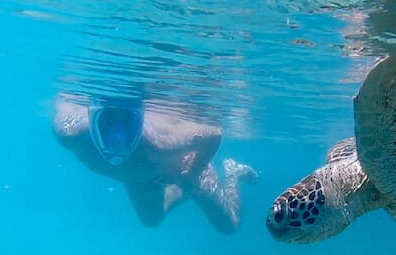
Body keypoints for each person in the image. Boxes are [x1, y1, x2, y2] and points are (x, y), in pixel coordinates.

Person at [53, 94, 256, 233]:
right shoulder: (69, 134)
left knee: (229, 225)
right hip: (140, 176)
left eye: (126, 124)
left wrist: (193, 172)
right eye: (106, 122)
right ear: (92, 115)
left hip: (181, 166)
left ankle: (233, 173)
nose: (118, 142)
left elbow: (214, 135)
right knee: (150, 220)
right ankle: (182, 191)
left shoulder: (161, 143)